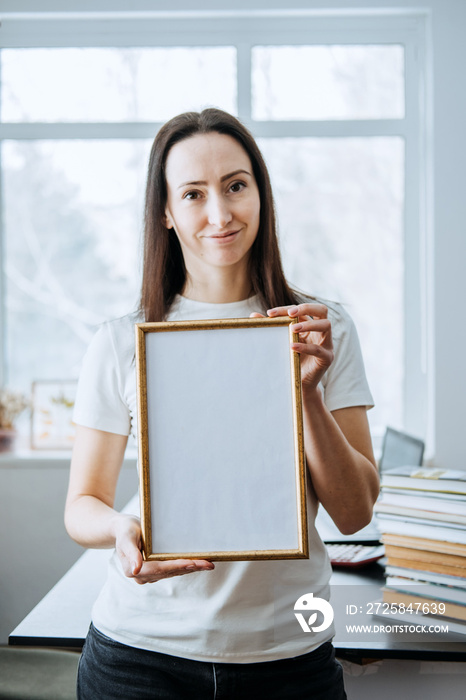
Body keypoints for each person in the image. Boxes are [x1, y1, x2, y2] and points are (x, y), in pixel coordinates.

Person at [65, 108, 380, 699]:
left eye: (236, 185)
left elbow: (355, 513)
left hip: (288, 654)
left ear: (261, 192)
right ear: (164, 211)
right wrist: (121, 528)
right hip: (140, 657)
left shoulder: (321, 328)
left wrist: (305, 389)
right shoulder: (122, 340)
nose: (220, 213)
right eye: (192, 193)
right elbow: (82, 503)